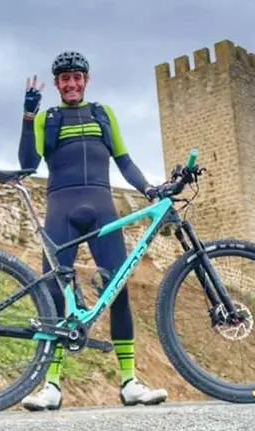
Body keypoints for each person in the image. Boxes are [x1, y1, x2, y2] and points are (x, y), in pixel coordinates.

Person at [17, 50, 169, 411]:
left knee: (118, 290)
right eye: (65, 78)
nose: (71, 83)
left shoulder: (103, 114)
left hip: (102, 209)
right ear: (56, 84)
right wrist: (28, 115)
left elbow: (125, 161)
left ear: (86, 80)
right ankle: (51, 386)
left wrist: (148, 190)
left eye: (77, 77)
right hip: (61, 210)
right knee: (56, 293)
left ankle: (130, 382)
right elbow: (27, 164)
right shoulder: (48, 119)